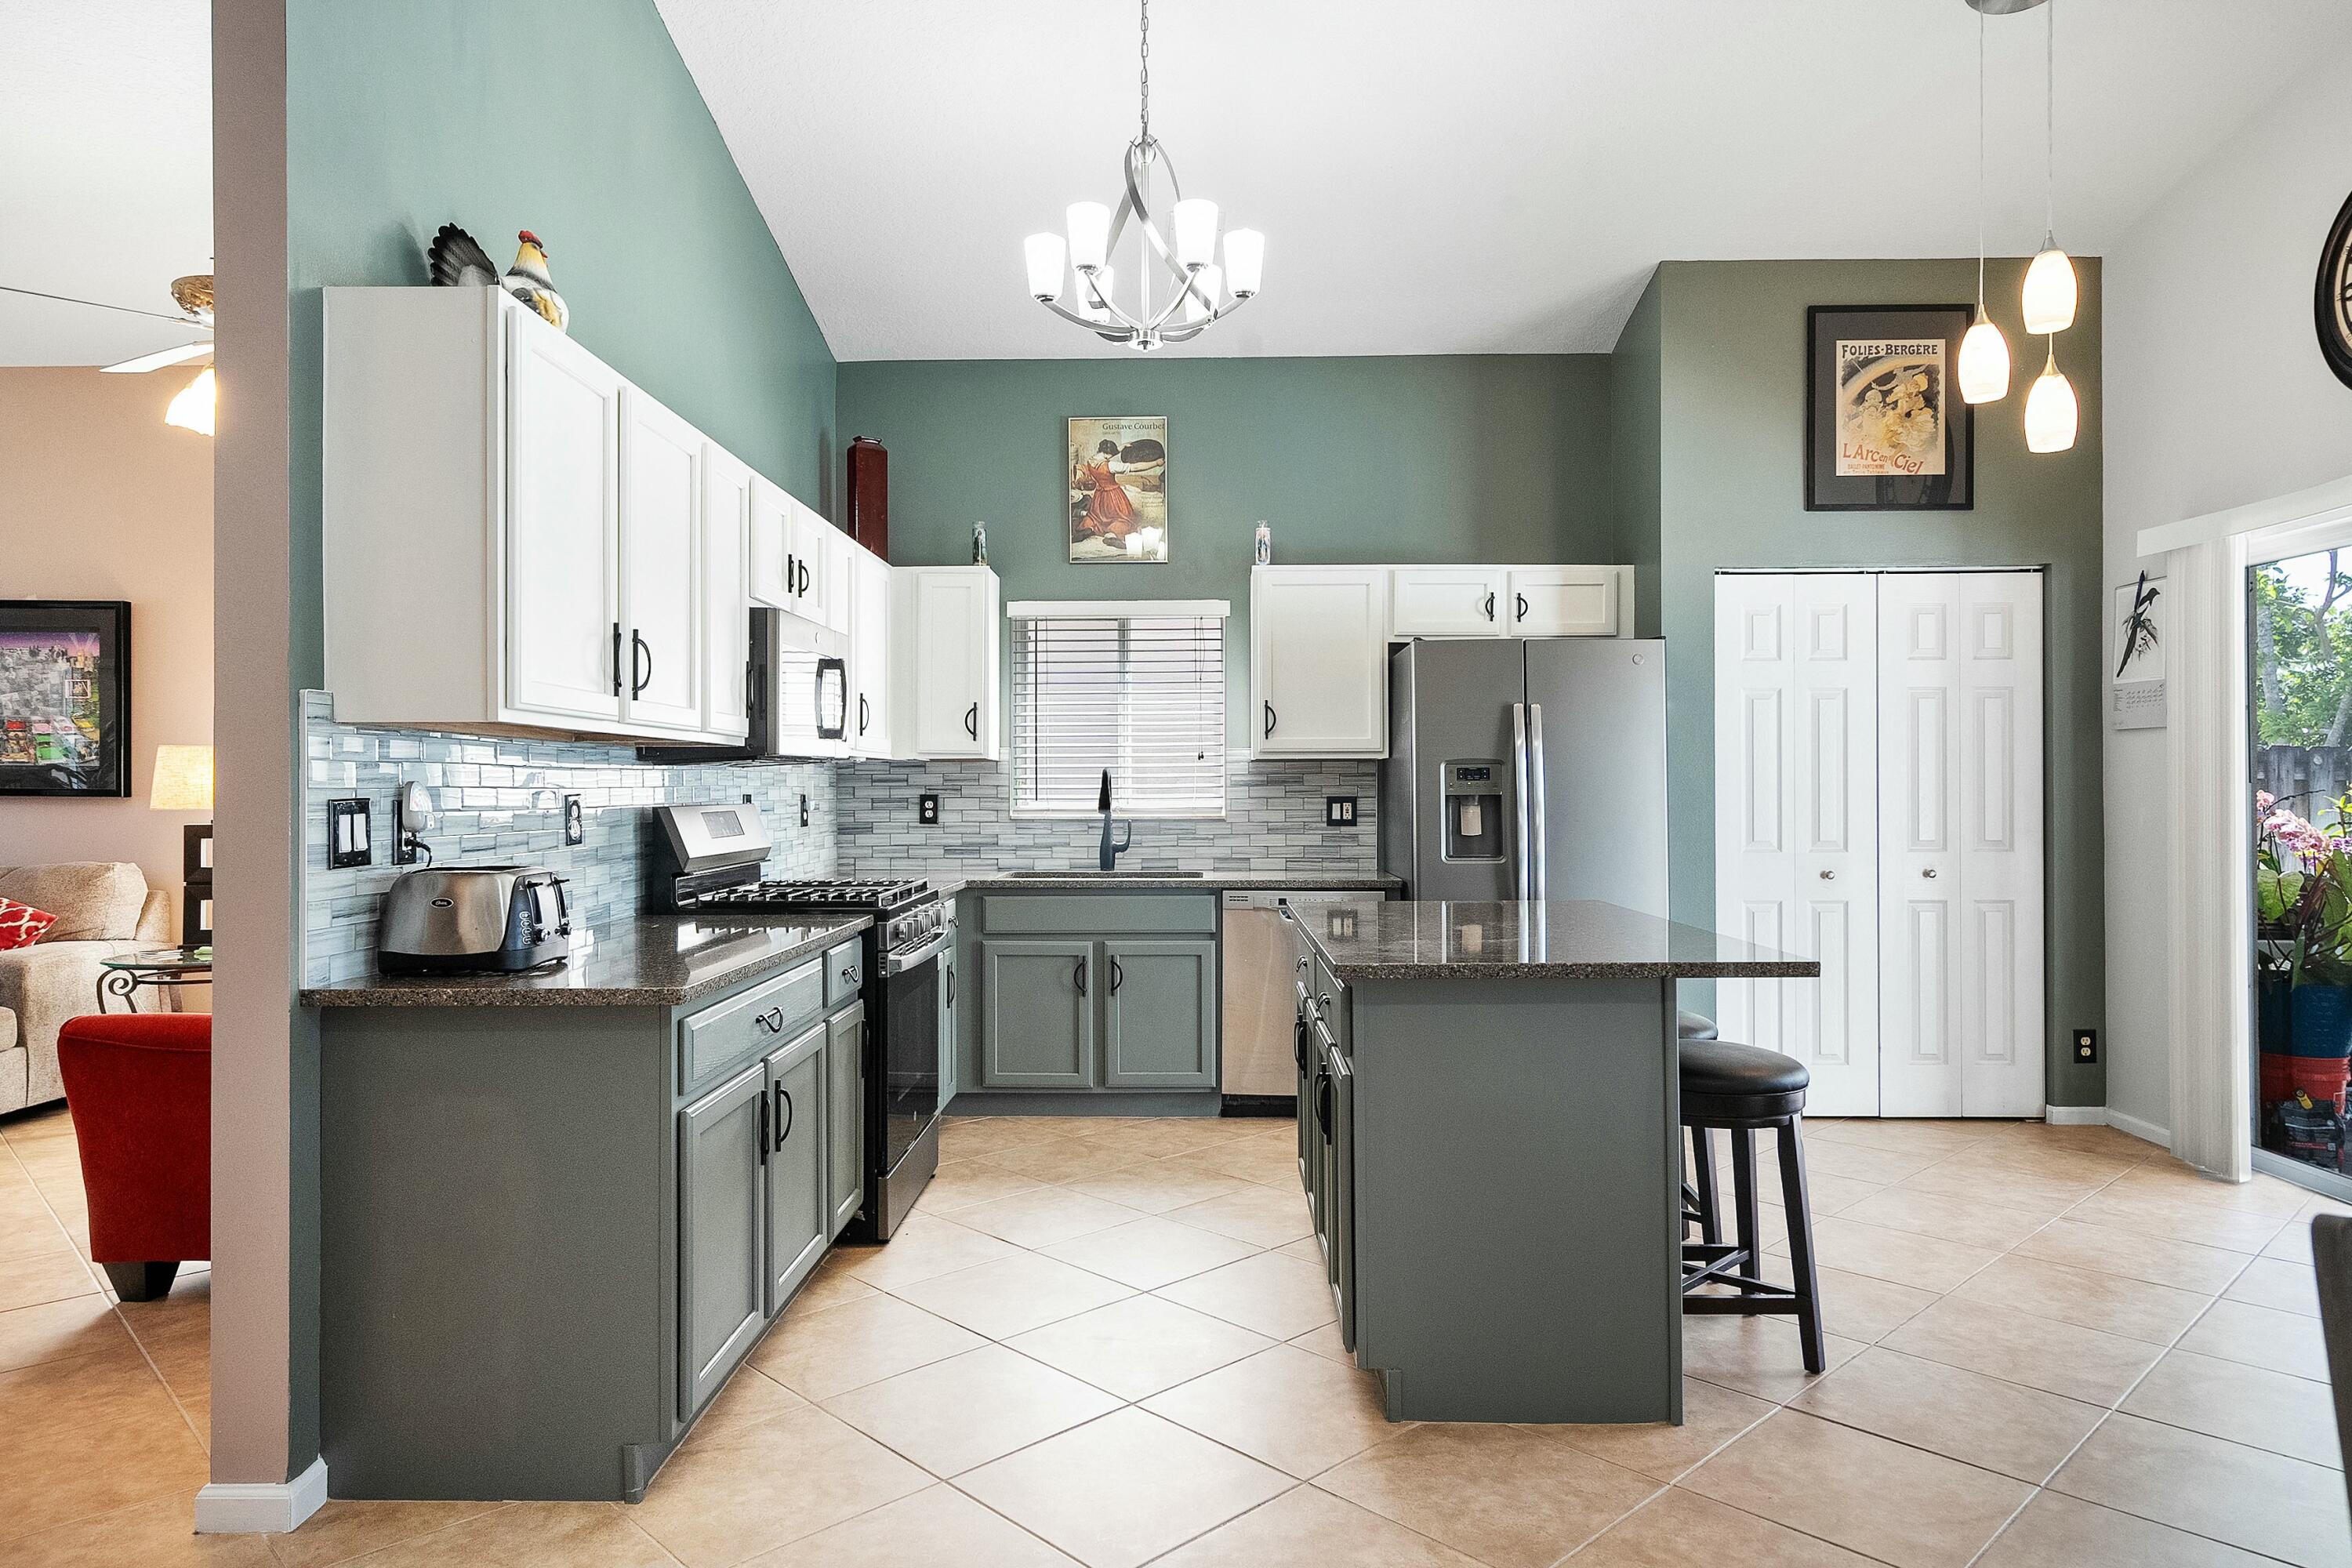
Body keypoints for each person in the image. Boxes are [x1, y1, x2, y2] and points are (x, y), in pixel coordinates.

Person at [1074, 438, 1138, 542]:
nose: (1111, 457)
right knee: (1121, 519)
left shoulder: (1091, 461)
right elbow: (1134, 468)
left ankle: (1090, 528)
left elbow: (1109, 453)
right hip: (1113, 496)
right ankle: (1112, 534)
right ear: (1107, 454)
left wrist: (1123, 446)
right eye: (1110, 455)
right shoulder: (1110, 466)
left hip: (1099, 497)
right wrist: (1156, 463)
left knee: (1096, 518)